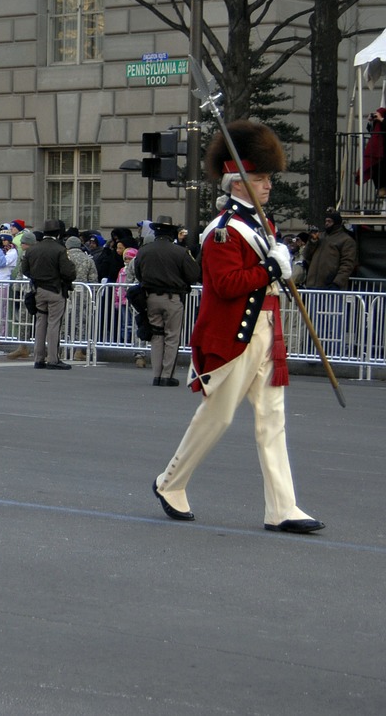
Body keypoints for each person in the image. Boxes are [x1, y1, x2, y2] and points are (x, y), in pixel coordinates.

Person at [152, 120, 324, 534]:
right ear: (238, 183)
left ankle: (282, 507)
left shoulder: (262, 227)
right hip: (235, 334)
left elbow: (266, 280)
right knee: (219, 416)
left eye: (267, 178)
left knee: (272, 419)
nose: (268, 186)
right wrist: (269, 267)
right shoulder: (225, 232)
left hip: (266, 328)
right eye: (260, 179)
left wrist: (281, 269)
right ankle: (170, 481)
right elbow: (226, 286)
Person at [133, 215, 201, 387]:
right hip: (173, 298)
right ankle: (167, 375)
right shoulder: (180, 252)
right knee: (172, 336)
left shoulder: (144, 251)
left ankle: (156, 375)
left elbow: (138, 273)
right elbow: (193, 274)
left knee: (156, 336)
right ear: (172, 233)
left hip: (151, 297)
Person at [22, 218, 76, 370]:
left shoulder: (32, 249)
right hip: (55, 290)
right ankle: (53, 359)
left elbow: (24, 269)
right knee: (54, 324)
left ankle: (38, 358)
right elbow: (68, 272)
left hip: (38, 290)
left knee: (40, 323)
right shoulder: (59, 249)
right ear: (58, 233)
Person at [300, 208, 357, 291]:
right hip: (313, 285)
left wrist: (337, 282)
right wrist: (312, 242)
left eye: (329, 221)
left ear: (336, 223)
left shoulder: (346, 240)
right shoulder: (320, 236)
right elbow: (306, 255)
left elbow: (347, 265)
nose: (326, 224)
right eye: (326, 221)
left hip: (331, 286)